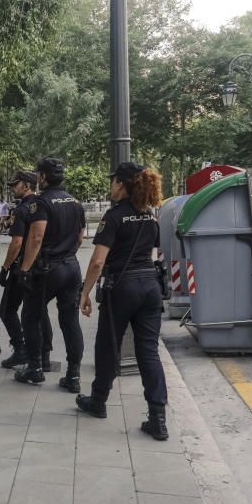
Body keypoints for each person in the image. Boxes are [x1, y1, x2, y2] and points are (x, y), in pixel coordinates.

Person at [77, 162, 169, 441]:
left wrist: (85, 293)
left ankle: (98, 401)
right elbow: (156, 252)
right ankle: (158, 418)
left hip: (122, 287)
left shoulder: (115, 216)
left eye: (113, 181)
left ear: (122, 184)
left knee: (108, 346)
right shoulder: (150, 215)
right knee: (149, 352)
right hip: (150, 287)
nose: (111, 186)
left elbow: (97, 261)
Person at [15, 157, 85, 389]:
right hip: (71, 266)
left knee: (31, 315)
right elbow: (80, 237)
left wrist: (24, 269)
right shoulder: (75, 202)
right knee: (70, 320)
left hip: (47, 268)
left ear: (43, 177)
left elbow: (36, 237)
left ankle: (35, 368)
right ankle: (73, 374)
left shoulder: (41, 203)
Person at [0, 171, 53, 370]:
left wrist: (5, 267)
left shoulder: (21, 210)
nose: (12, 188)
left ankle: (20, 349)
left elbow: (17, 242)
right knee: (39, 311)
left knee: (7, 309)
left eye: (15, 184)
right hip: (42, 266)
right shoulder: (43, 205)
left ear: (27, 185)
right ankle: (44, 354)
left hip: (23, 266)